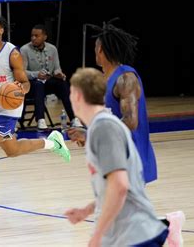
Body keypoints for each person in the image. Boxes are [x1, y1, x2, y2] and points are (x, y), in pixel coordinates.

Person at [0, 15, 71, 219]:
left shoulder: (12, 53)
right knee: (12, 150)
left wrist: (20, 89)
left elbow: (25, 83)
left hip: (9, 107)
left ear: (1, 30)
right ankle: (53, 143)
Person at [64, 67, 184, 247]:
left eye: (71, 94)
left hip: (134, 235)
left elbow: (120, 187)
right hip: (126, 234)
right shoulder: (101, 126)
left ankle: (170, 225)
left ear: (78, 97)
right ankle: (170, 225)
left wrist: (97, 234)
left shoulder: (104, 129)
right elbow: (114, 188)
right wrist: (86, 211)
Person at [67, 20, 157, 183]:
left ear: (100, 49)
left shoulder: (125, 78)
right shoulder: (106, 79)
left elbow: (130, 122)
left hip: (129, 159)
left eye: (95, 47)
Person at [20, 24, 79, 130]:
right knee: (38, 85)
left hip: (48, 81)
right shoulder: (24, 50)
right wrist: (36, 74)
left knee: (63, 84)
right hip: (32, 84)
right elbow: (22, 72)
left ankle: (74, 118)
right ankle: (40, 120)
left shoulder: (52, 49)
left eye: (36, 36)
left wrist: (59, 74)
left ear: (44, 37)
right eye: (32, 35)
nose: (33, 38)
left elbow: (57, 67)